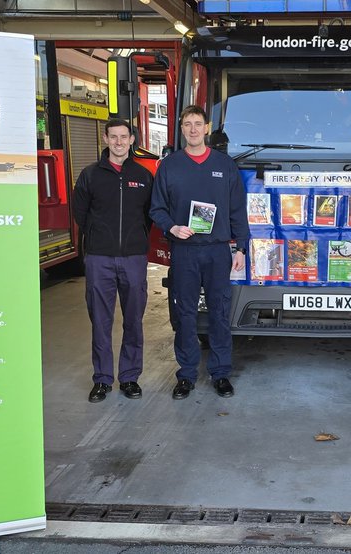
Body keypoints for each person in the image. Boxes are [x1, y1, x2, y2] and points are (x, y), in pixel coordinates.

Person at [150, 105, 249, 400]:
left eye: (198, 124)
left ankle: (220, 374)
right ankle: (187, 375)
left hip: (218, 251)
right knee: (185, 315)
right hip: (185, 252)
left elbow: (237, 210)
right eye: (187, 124)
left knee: (219, 314)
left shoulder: (225, 165)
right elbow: (157, 208)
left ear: (206, 128)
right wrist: (172, 228)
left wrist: (241, 247)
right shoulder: (170, 166)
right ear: (181, 129)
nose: (193, 129)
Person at [72, 119, 154, 403]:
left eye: (124, 137)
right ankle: (103, 380)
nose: (119, 142)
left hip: (133, 258)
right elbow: (80, 213)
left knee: (133, 320)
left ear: (132, 140)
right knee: (100, 321)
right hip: (99, 258)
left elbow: (148, 215)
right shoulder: (90, 175)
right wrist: (99, 239)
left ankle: (129, 377)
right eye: (113, 137)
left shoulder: (143, 176)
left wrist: (134, 238)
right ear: (105, 139)